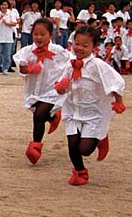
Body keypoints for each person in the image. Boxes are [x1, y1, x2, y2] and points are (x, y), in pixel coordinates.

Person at [53, 25, 126, 186]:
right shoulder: (70, 64)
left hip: (93, 113)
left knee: (84, 149)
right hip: (73, 110)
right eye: (77, 44)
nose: (79, 48)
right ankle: (80, 172)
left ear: (94, 47)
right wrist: (60, 87)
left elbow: (114, 82)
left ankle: (101, 137)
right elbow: (60, 86)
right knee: (72, 145)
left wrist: (119, 102)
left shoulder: (98, 65)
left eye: (85, 46)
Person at [12, 18, 71, 165]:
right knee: (39, 113)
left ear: (51, 35)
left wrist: (65, 81)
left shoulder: (59, 51)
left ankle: (35, 146)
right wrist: (30, 69)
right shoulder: (26, 52)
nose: (39, 37)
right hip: (34, 91)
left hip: (52, 91)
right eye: (36, 34)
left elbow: (73, 62)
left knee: (38, 116)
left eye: (43, 34)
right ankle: (52, 117)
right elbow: (22, 67)